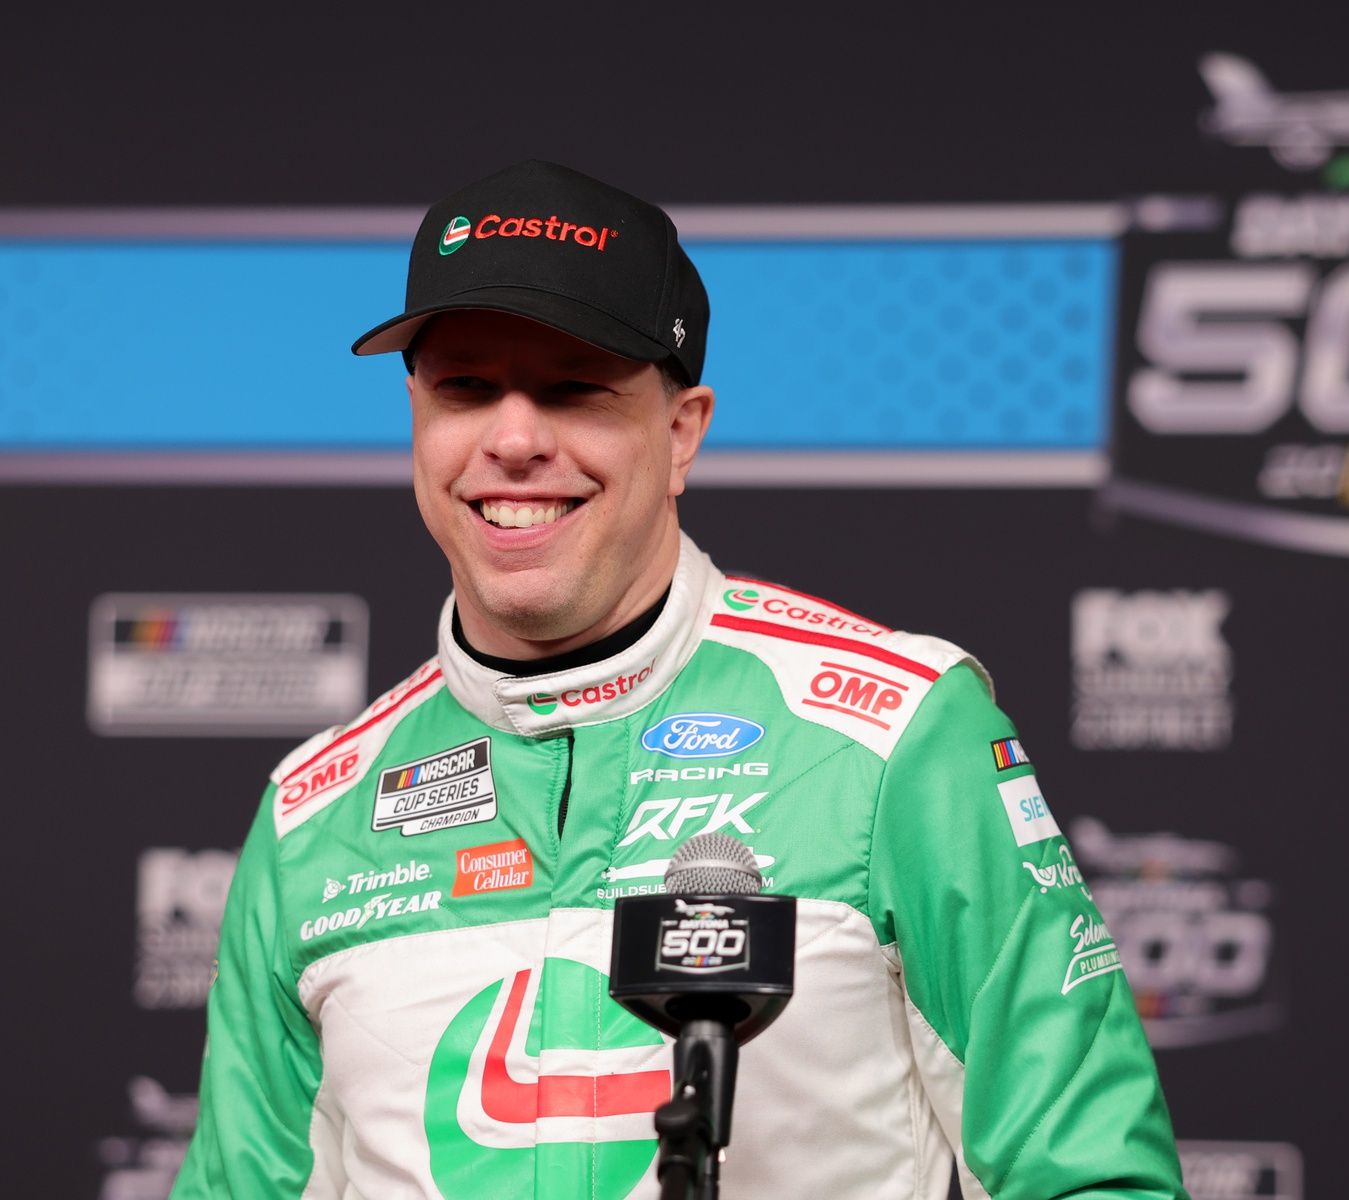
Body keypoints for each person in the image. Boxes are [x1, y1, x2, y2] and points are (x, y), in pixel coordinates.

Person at [173, 159, 1187, 1199]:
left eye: (575, 388)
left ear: (680, 430)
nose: (513, 440)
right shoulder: (313, 815)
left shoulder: (895, 736)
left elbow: (1097, 1179)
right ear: (417, 415)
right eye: (465, 388)